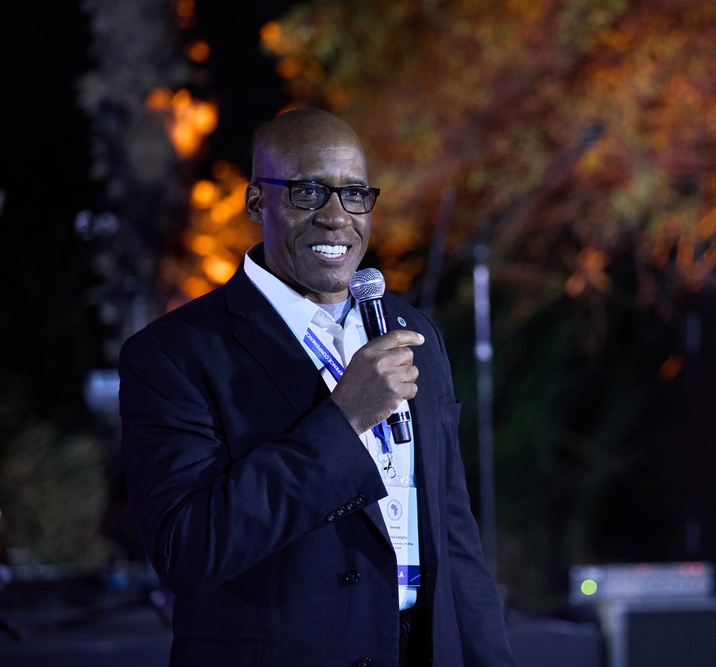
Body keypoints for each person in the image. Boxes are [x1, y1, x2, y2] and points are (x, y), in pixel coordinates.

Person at [119, 108, 516, 667]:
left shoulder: (411, 332)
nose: (337, 217)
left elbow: (453, 536)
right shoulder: (174, 354)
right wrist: (343, 420)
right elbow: (188, 550)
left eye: (355, 194)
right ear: (258, 203)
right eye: (309, 193)